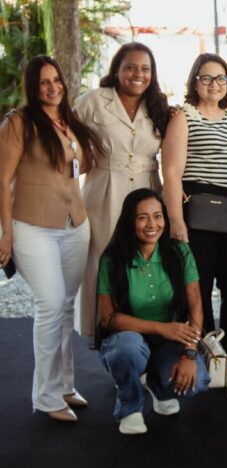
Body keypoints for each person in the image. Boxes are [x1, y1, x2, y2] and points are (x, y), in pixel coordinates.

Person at [0, 55, 101, 422]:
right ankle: (46, 396)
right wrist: (6, 234)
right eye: (44, 81)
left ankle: (65, 386)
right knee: (51, 303)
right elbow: (2, 179)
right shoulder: (18, 123)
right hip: (32, 227)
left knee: (66, 306)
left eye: (56, 80)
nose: (52, 87)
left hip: (75, 225)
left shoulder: (70, 121)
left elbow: (80, 167)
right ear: (33, 86)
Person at [161, 53, 227, 374]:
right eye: (207, 78)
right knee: (198, 289)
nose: (215, 84)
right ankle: (212, 354)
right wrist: (176, 222)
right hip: (194, 210)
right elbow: (171, 173)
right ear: (195, 82)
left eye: (221, 78)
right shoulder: (183, 116)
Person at [74, 42, 169, 342]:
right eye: (130, 67)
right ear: (116, 70)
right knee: (104, 257)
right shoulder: (93, 101)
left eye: (145, 69)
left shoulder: (159, 106)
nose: (137, 74)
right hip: (104, 190)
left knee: (144, 258)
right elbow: (63, 130)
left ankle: (144, 333)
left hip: (146, 187)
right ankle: (102, 330)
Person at [95, 189, 208, 435]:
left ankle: (158, 387)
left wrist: (189, 353)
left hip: (169, 342)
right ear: (129, 221)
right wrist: (160, 327)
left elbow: (196, 305)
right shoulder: (112, 259)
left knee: (197, 381)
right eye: (142, 217)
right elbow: (107, 318)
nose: (152, 225)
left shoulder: (180, 251)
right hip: (129, 341)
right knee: (126, 348)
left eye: (158, 216)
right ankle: (130, 405)